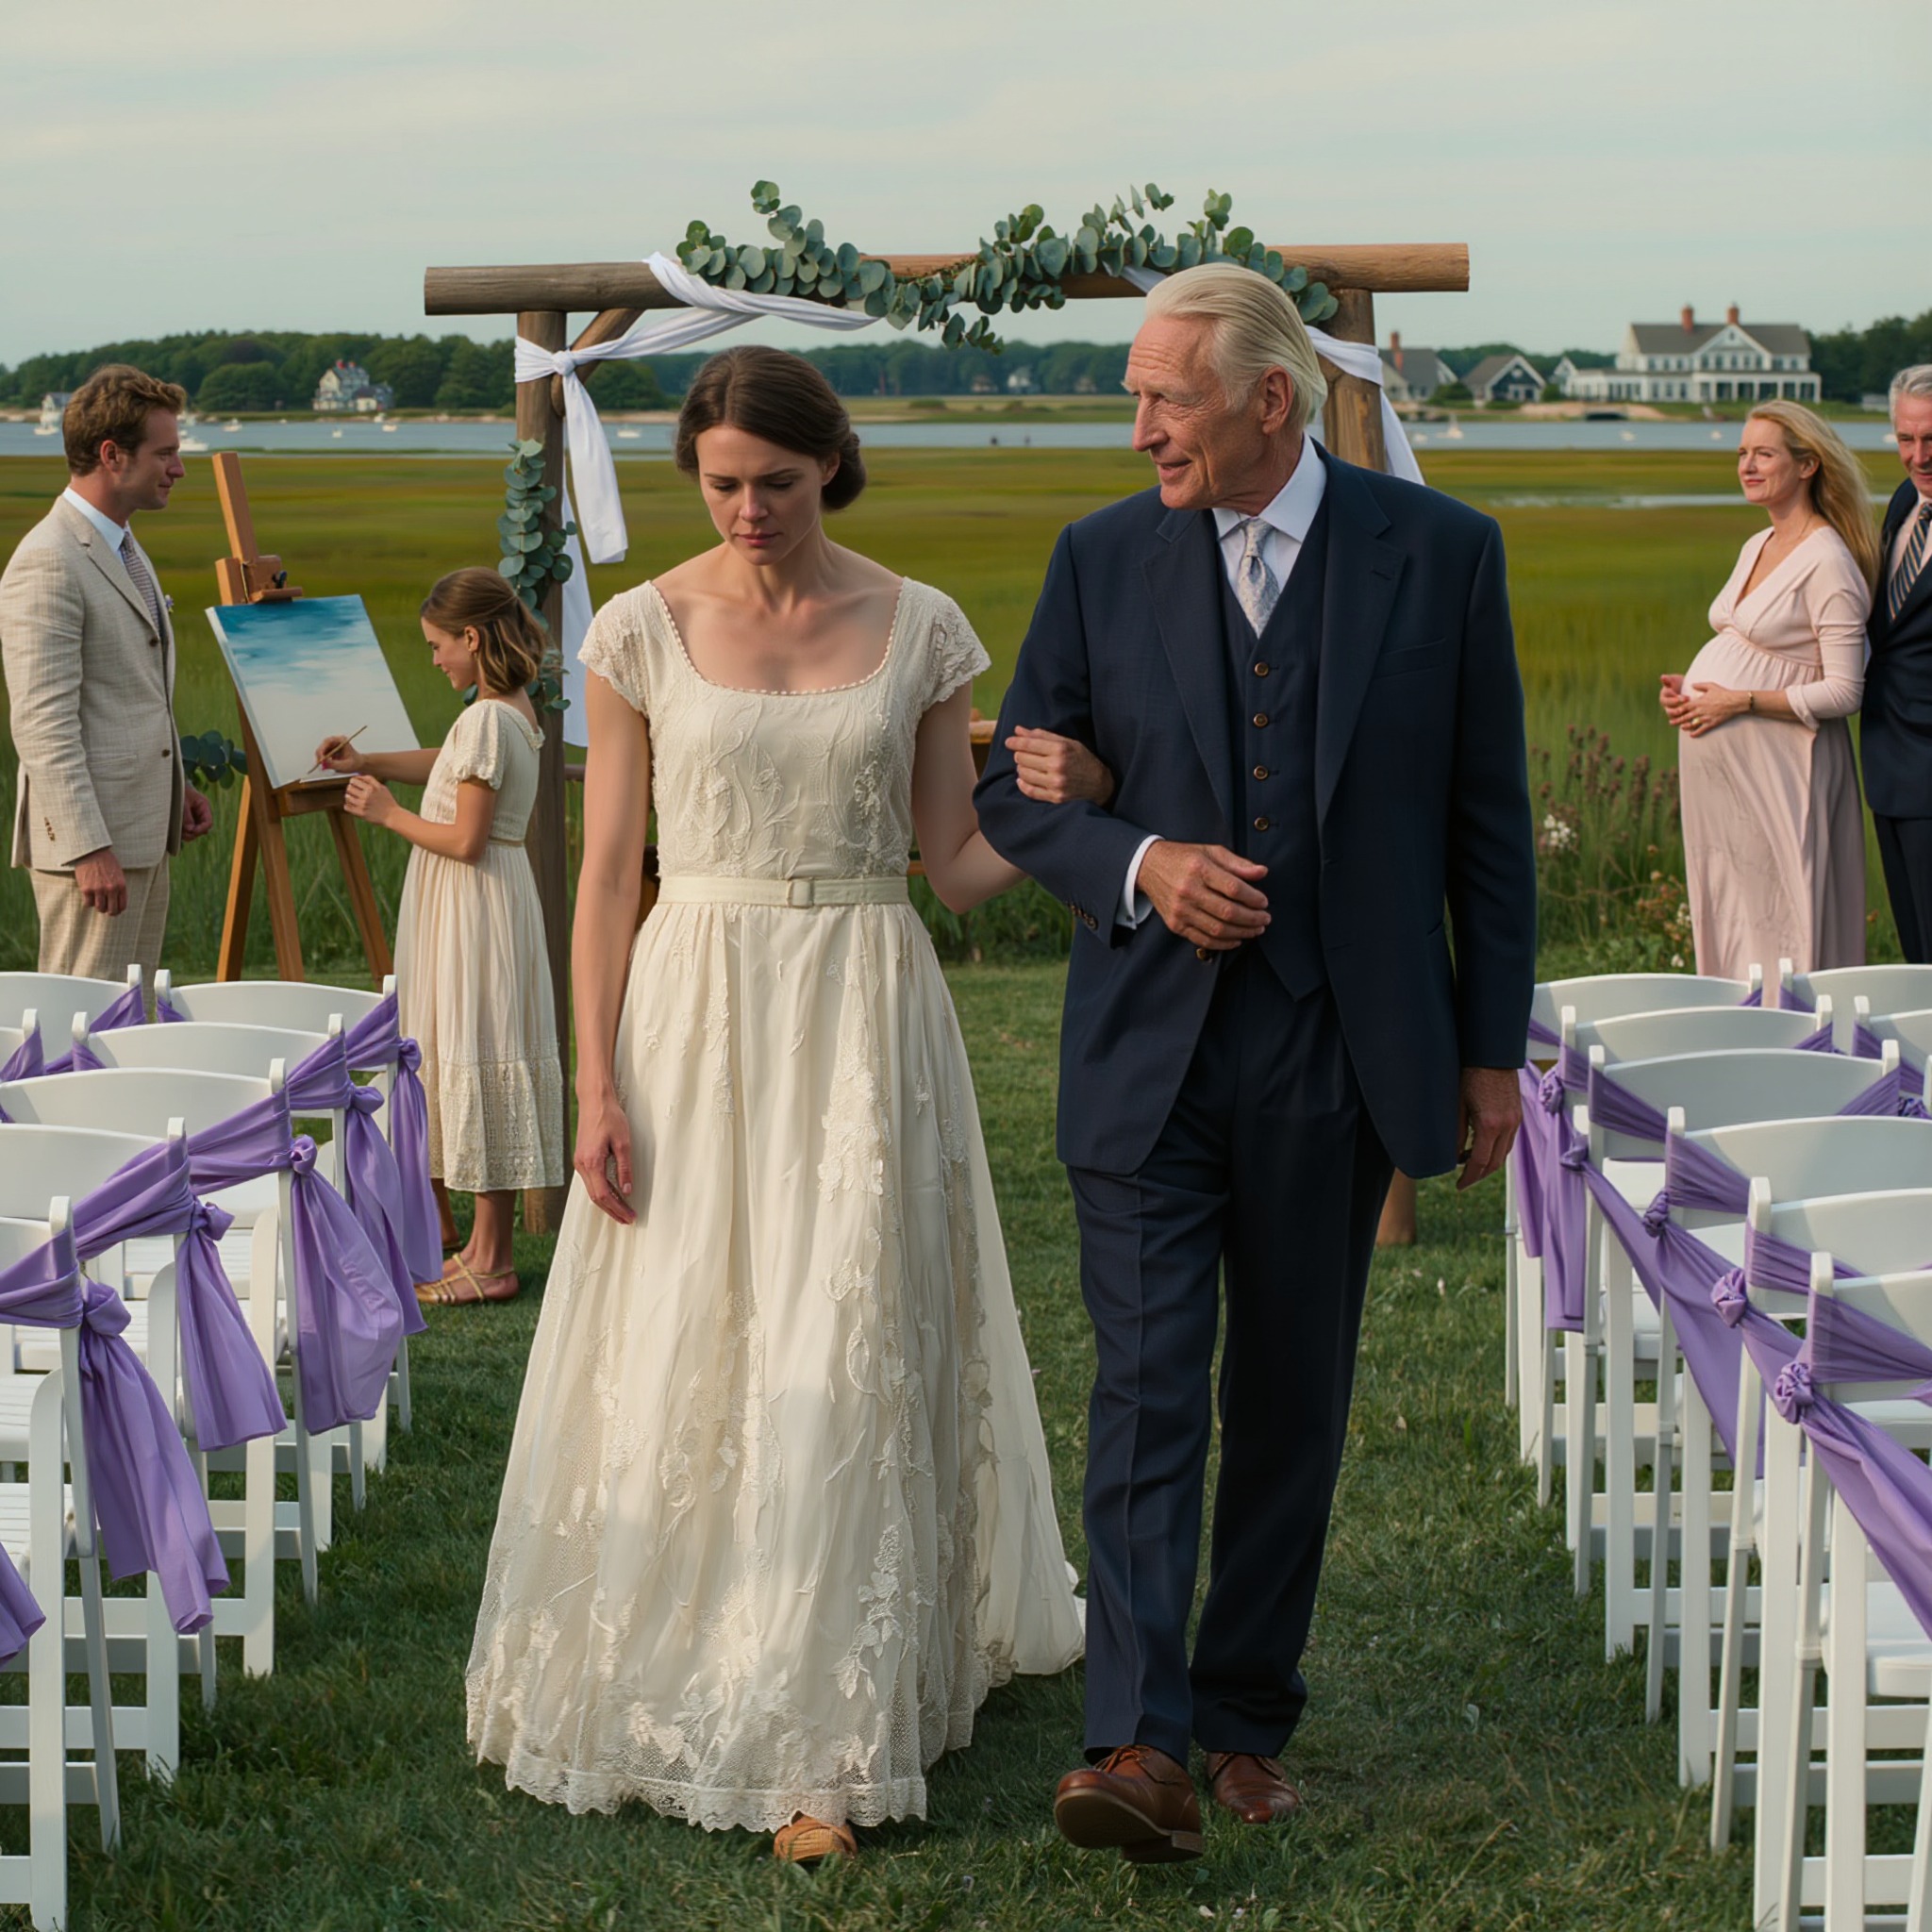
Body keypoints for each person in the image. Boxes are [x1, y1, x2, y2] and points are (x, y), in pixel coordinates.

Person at [465, 345, 1091, 1860]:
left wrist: (1062, 810)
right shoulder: (636, 631)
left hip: (867, 1004)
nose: (748, 511)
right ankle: (681, 1639)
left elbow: (953, 867)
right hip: (694, 999)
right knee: (699, 1331)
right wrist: (594, 1082)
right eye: (723, 484)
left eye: (779, 485)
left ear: (833, 467)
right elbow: (608, 876)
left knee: (851, 1333)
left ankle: (832, 1727)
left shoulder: (921, 625)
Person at [974, 263, 1536, 1861]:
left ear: (1267, 401)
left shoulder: (1437, 554)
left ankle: (1241, 1713)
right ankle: (1134, 1741)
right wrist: (1141, 856)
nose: (1136, 422)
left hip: (1339, 1048)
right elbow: (1020, 792)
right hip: (1146, 1052)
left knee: (1291, 1396)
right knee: (1148, 1386)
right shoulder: (1096, 558)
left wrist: (1485, 1055)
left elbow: (1485, 826)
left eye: (1163, 395)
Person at [317, 570, 565, 1304]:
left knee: (476, 1047)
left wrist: (385, 812)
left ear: (473, 637)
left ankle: (491, 1260)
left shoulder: (489, 718)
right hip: (486, 902)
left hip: (475, 902)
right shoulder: (503, 710)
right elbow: (453, 769)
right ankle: (478, 1247)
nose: (433, 661)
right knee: (474, 1046)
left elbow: (464, 837)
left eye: (437, 646)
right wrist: (369, 762)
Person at [0, 365, 213, 985]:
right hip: (92, 854)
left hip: (140, 837)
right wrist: (88, 847)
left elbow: (125, 694)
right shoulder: (49, 561)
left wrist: (174, 787)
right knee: (81, 1035)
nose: (178, 467)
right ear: (112, 455)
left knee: (129, 1027)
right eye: (165, 453)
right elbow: (43, 724)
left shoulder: (123, 545)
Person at [1662, 402, 1878, 979]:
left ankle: (1789, 1050)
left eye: (1764, 454)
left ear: (1807, 465)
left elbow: (1844, 691)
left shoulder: (1828, 560)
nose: (1748, 466)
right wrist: (1696, 690)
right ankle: (1737, 1035)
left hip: (1786, 777)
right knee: (1734, 914)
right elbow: (1749, 650)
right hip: (1731, 788)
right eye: (1741, 453)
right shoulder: (1756, 544)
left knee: (1786, 920)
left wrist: (1741, 699)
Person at [1859, 367, 1932, 960]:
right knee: (1918, 959)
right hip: (1888, 766)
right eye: (1906, 439)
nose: (1918, 456)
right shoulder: (1906, 500)